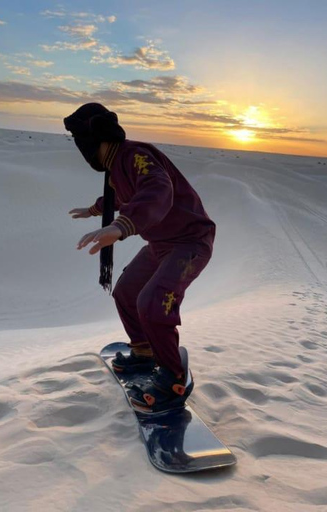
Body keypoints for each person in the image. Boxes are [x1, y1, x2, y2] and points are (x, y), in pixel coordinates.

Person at [64, 103, 216, 413]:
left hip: (190, 243)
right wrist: (95, 210)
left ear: (96, 140)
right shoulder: (118, 165)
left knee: (153, 302)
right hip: (161, 244)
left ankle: (175, 377)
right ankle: (145, 352)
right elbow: (122, 195)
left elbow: (157, 190)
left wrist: (121, 226)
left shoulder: (135, 156)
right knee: (126, 292)